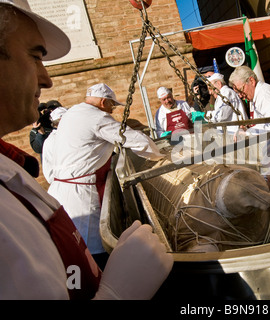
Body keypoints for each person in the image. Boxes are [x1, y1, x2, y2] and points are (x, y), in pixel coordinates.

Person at [0, 0, 172, 300]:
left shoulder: (12, 165)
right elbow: (136, 140)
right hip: (81, 200)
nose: (47, 79)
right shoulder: (93, 117)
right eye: (34, 56)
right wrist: (116, 294)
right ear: (104, 103)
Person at [42, 83, 167, 270]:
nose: (112, 110)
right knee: (90, 251)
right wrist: (161, 158)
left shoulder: (73, 113)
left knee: (69, 247)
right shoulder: (97, 117)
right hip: (80, 194)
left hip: (59, 192)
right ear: (103, 102)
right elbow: (133, 139)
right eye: (111, 106)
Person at [228, 65, 270, 134]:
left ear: (251, 81)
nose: (240, 95)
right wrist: (248, 128)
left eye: (241, 90)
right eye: (237, 93)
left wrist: (248, 132)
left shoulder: (265, 94)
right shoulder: (253, 96)